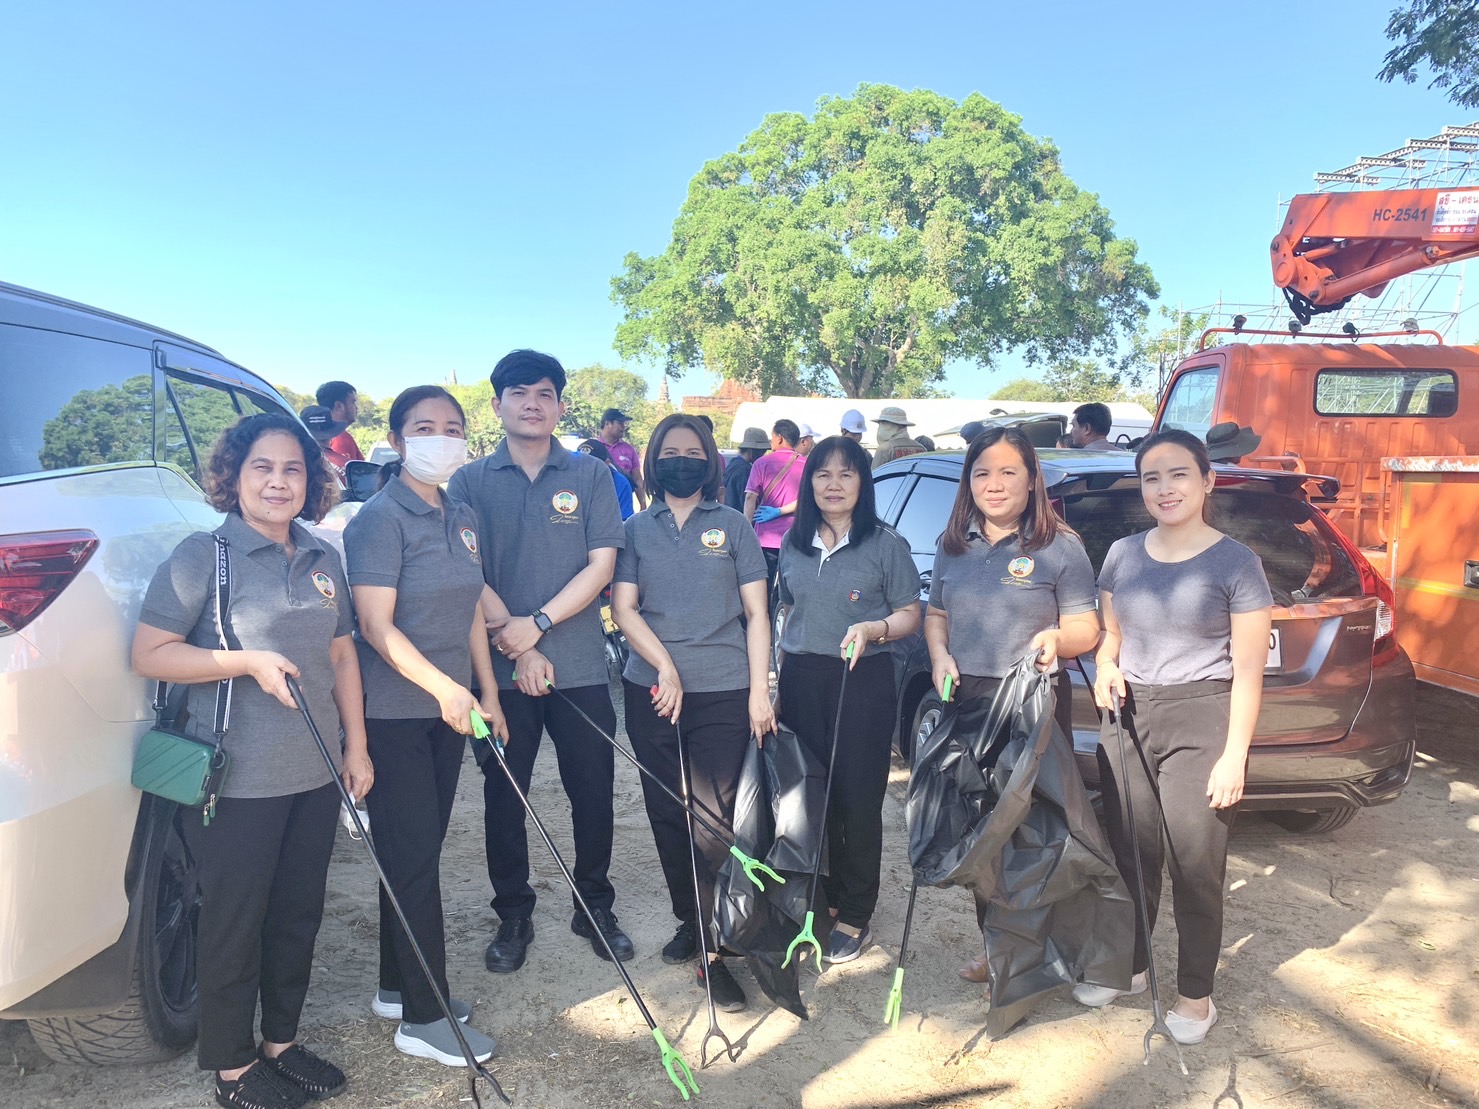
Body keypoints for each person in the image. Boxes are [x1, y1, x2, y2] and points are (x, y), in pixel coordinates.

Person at [132, 413, 371, 1109]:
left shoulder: (324, 557)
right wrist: (245, 660)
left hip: (316, 770)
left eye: (293, 469)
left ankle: (281, 1044)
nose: (278, 481)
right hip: (237, 780)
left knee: (297, 913)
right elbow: (150, 653)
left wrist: (356, 745)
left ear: (312, 481)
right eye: (261, 467)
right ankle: (233, 1067)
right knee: (236, 917)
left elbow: (342, 652)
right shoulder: (203, 555)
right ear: (232, 477)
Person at [1079, 428, 1272, 1046]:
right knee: (1131, 853)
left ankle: (1195, 995)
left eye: (1179, 474)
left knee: (1196, 864)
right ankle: (1130, 968)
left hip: (1203, 717)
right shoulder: (1122, 553)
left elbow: (1247, 671)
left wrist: (1234, 755)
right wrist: (1108, 667)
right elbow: (1111, 635)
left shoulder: (1237, 562)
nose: (1165, 488)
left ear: (1207, 480)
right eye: (1152, 478)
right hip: (1130, 714)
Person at [447, 350, 633, 974]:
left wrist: (540, 627)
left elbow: (602, 565)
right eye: (520, 392)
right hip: (497, 673)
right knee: (505, 795)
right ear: (497, 403)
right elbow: (463, 568)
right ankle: (513, 912)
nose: (533, 402)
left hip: (579, 666)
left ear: (559, 405)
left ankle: (594, 903)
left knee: (594, 793)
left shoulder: (590, 475)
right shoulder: (468, 481)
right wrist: (516, 640)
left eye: (546, 393)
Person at [343, 386, 505, 1067]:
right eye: (423, 427)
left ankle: (395, 985)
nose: (440, 437)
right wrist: (444, 689)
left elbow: (470, 607)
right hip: (397, 713)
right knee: (413, 860)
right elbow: (376, 628)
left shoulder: (460, 511)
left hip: (449, 711)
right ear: (398, 437)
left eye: (452, 427)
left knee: (416, 853)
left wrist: (484, 690)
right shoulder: (379, 519)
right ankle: (424, 1016)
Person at [923, 425, 1101, 983]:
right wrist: (938, 657)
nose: (994, 484)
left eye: (1008, 472)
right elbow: (936, 616)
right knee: (984, 831)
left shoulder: (1059, 546)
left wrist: (1057, 641)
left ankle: (1058, 948)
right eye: (982, 473)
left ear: (1031, 481)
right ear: (968, 482)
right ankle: (998, 947)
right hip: (971, 702)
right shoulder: (954, 546)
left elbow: (1084, 626)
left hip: (1034, 701)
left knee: (1042, 830)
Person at [610, 414, 776, 1013]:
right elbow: (624, 610)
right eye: (670, 452)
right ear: (653, 462)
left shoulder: (733, 526)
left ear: (710, 461)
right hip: (650, 690)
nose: (682, 461)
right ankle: (692, 920)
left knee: (714, 821)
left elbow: (757, 615)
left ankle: (719, 949)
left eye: (693, 452)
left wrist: (761, 688)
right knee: (665, 814)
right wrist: (665, 668)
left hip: (725, 692)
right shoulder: (633, 529)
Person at [775, 435, 921, 962]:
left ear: (864, 483)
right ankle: (819, 899)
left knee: (857, 799)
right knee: (805, 797)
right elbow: (788, 614)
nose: (833, 485)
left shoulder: (885, 545)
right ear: (809, 482)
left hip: (862, 679)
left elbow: (911, 613)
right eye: (822, 475)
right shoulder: (793, 544)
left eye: (847, 474)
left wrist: (875, 627)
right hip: (801, 681)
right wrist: (777, 684)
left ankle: (856, 910)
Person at [743, 420, 805, 596]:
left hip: (765, 538)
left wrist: (747, 531)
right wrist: (782, 511)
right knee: (790, 588)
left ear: (779, 438)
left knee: (763, 585)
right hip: (796, 536)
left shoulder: (762, 463)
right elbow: (808, 500)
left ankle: (764, 619)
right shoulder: (808, 464)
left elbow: (750, 497)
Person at [600, 407, 646, 510]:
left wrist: (643, 505)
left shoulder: (629, 450)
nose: (623, 427)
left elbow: (637, 479)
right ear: (608, 424)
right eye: (620, 423)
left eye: (624, 423)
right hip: (599, 506)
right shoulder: (593, 448)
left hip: (624, 508)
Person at [579, 438, 635, 520]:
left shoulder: (620, 483)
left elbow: (624, 521)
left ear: (607, 463)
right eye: (581, 464)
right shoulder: (571, 480)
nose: (585, 470)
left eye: (592, 465)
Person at [315, 381, 365, 462]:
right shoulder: (341, 438)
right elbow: (342, 473)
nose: (356, 407)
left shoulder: (317, 435)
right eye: (353, 402)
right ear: (339, 406)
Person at [724, 426, 769, 510]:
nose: (762, 455)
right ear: (752, 450)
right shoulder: (744, 469)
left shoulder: (734, 463)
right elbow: (746, 499)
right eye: (761, 451)